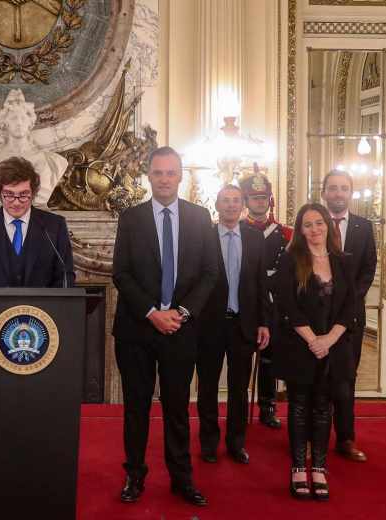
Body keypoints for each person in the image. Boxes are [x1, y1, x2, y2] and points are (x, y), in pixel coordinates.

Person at [112, 146, 218, 506]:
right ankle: (134, 477)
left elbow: (210, 273)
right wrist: (152, 312)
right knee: (136, 408)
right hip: (136, 330)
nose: (164, 179)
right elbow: (121, 274)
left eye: (171, 172)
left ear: (181, 175)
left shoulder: (201, 217)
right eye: (158, 172)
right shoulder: (130, 218)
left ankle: (181, 479)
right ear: (149, 175)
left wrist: (182, 312)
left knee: (176, 409)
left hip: (181, 330)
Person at [273, 203, 358, 501]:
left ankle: (319, 468)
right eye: (307, 224)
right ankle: (298, 468)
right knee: (298, 406)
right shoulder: (290, 260)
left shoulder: (344, 261)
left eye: (319, 223)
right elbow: (286, 304)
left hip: (334, 347)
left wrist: (329, 339)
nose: (314, 229)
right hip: (301, 345)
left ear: (327, 225)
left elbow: (351, 306)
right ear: (300, 230)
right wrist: (313, 340)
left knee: (324, 406)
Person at [196, 185, 270, 465]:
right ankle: (208, 443)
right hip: (209, 325)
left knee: (239, 389)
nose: (230, 205)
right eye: (225, 200)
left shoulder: (255, 237)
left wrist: (264, 322)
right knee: (207, 387)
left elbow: (261, 282)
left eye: (235, 201)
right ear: (217, 203)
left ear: (243, 205)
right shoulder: (204, 237)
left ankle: (236, 443)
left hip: (243, 325)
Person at [321, 169, 377, 462]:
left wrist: (348, 302)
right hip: (317, 318)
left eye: (344, 188)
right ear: (324, 193)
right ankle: (309, 439)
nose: (338, 193)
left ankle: (345, 437)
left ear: (350, 193)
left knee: (345, 381)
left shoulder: (364, 228)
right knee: (314, 382)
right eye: (333, 188)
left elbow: (369, 269)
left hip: (350, 318)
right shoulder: (313, 224)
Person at [0, 156, 74, 288]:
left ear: (33, 193)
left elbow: (65, 275)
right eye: (9, 195)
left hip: (41, 308)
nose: (16, 202)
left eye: (23, 195)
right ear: (0, 193)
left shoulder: (54, 226)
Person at [240, 167, 293, 429]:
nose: (259, 202)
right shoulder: (236, 230)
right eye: (254, 197)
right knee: (241, 357)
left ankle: (268, 405)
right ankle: (238, 408)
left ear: (269, 200)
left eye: (263, 198)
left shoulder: (285, 234)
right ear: (246, 200)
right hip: (243, 303)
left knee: (270, 357)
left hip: (272, 304)